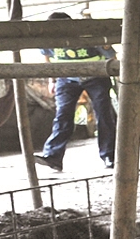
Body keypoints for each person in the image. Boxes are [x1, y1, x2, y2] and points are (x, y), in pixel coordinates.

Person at [38, 11, 117, 172]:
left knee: (103, 114)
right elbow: (47, 57)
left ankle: (109, 155)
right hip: (66, 79)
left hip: (96, 76)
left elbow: (111, 55)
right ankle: (53, 156)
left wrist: (105, 45)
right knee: (63, 115)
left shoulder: (88, 35)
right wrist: (52, 80)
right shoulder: (48, 38)